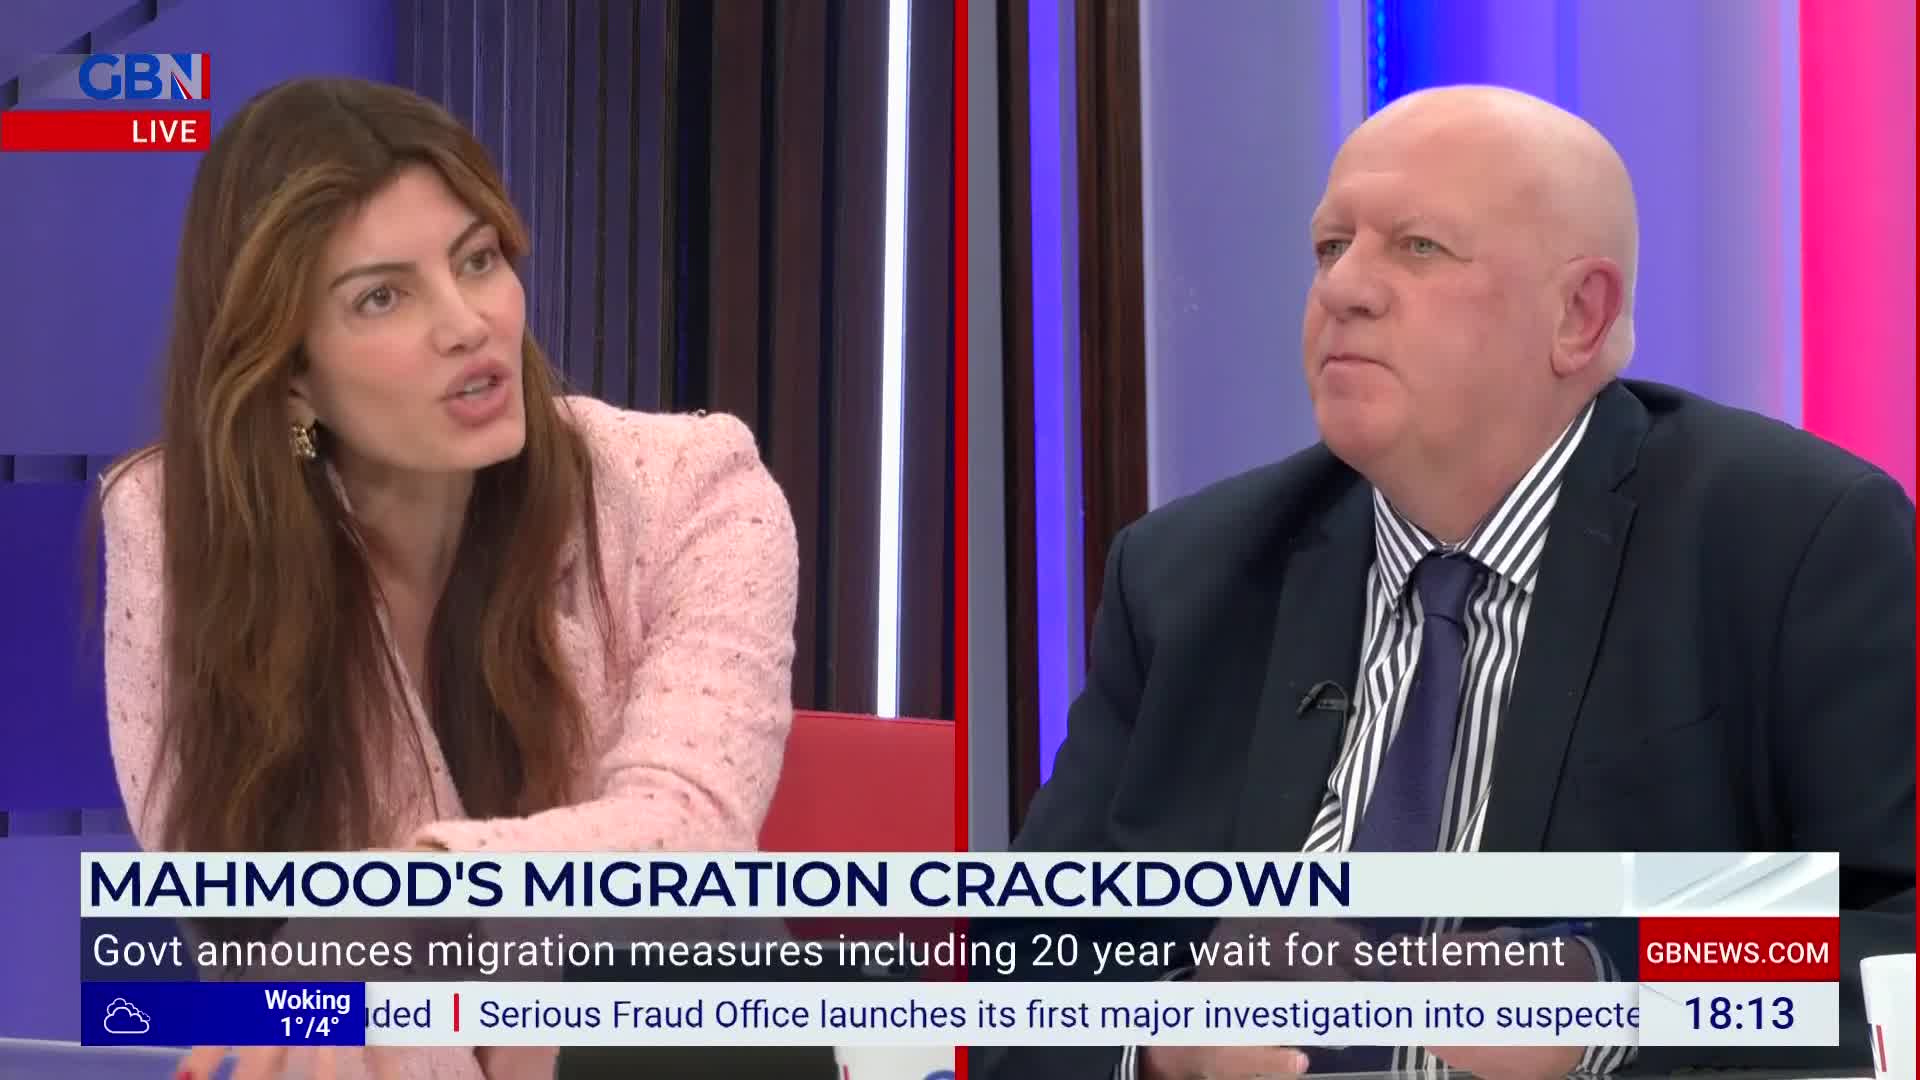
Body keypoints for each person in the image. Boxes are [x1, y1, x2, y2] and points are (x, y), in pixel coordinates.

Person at [978, 85, 1915, 1078]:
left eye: (1417, 247)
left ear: (1579, 316)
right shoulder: (1186, 575)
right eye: (1331, 247)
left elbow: (1894, 938)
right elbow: (1027, 975)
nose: (1344, 289)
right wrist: (1162, 1046)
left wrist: (1616, 992)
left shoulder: (1792, 539)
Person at [96, 77, 799, 1080]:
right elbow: (228, 919)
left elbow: (690, 840)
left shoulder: (692, 491)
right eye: (383, 295)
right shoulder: (175, 524)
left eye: (478, 261)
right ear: (290, 371)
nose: (468, 322)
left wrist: (405, 904)